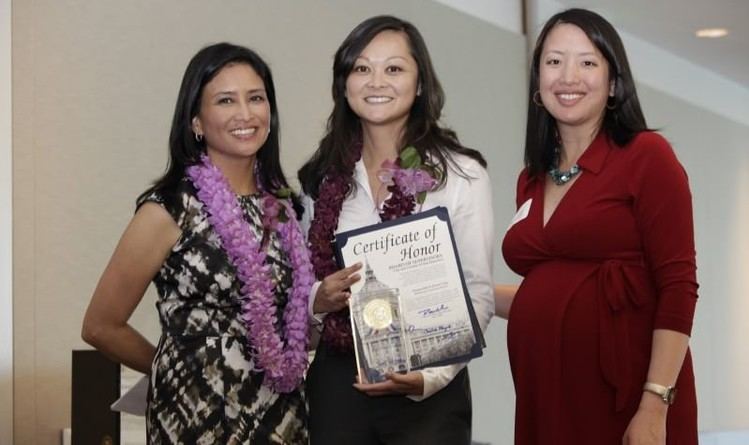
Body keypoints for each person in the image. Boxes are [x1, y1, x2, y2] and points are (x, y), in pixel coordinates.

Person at [81, 43, 312, 444]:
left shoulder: (285, 209)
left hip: (280, 414)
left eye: (256, 98)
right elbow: (101, 326)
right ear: (196, 122)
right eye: (226, 100)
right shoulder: (169, 208)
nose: (245, 113)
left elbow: (295, 316)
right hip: (197, 412)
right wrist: (176, 364)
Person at [500, 8, 699, 444]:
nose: (567, 76)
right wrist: (460, 294)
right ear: (538, 81)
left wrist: (654, 403)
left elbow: (678, 286)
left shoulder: (647, 156)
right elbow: (557, 289)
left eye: (587, 62)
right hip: (546, 395)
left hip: (626, 398)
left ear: (613, 84)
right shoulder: (531, 177)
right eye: (553, 61)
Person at [297, 15, 495, 445]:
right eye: (361, 68)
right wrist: (318, 297)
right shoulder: (321, 179)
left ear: (420, 83)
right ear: (344, 82)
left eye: (394, 69)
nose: (376, 82)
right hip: (337, 383)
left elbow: (477, 292)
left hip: (427, 391)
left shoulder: (461, 175)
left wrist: (428, 376)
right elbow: (299, 288)